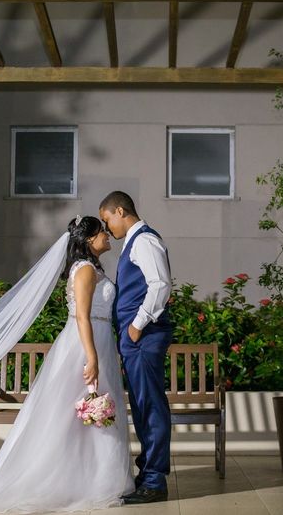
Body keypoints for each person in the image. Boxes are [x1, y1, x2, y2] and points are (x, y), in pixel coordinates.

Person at [0, 216, 134, 512]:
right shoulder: (86, 270)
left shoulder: (91, 267)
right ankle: (78, 480)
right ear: (89, 240)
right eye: (102, 232)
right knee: (76, 414)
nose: (108, 235)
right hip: (84, 344)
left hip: (96, 339)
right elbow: (83, 317)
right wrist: (92, 357)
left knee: (86, 416)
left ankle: (90, 478)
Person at [99, 191, 173, 504]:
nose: (107, 227)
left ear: (120, 210)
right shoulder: (135, 242)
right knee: (143, 407)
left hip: (143, 337)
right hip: (136, 340)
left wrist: (136, 325)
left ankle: (154, 481)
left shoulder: (144, 240)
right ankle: (148, 475)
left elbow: (161, 285)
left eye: (107, 219)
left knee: (150, 406)